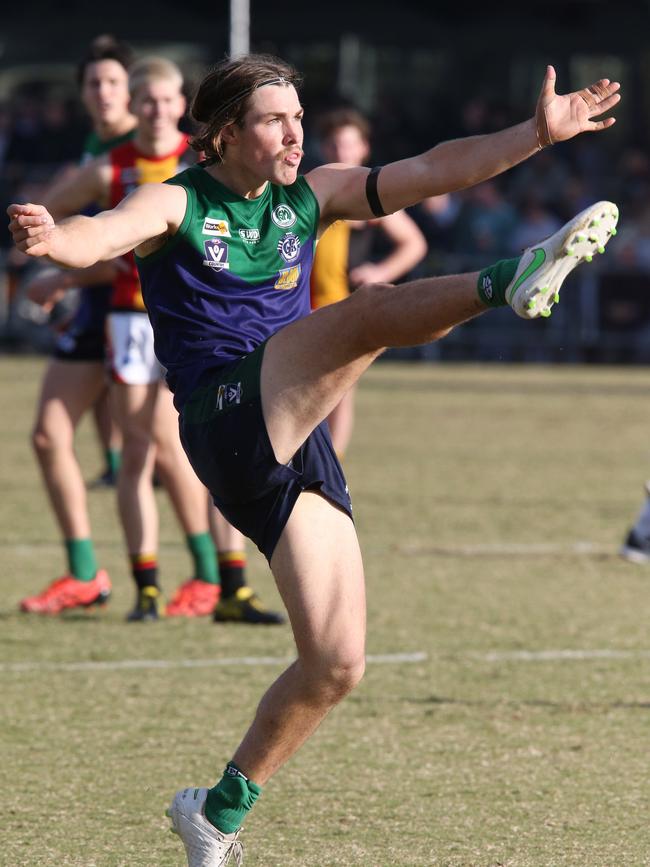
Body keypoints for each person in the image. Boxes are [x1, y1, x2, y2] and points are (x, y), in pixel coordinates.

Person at [8, 54, 620, 865]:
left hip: (293, 428)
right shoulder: (177, 199)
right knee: (364, 315)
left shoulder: (314, 193)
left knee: (336, 661)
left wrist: (535, 133)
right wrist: (61, 240)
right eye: (274, 119)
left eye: (298, 116)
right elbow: (104, 232)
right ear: (226, 132)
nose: (295, 132)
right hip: (224, 415)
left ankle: (218, 810)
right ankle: (509, 278)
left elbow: (434, 170)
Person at [24, 55, 283, 624]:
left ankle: (216, 578)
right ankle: (155, 581)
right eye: (145, 99)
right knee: (138, 450)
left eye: (165, 100)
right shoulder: (111, 165)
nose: (155, 109)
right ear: (131, 107)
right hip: (127, 322)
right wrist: (50, 236)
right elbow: (77, 223)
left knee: (183, 447)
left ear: (182, 107)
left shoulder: (201, 169)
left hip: (193, 323)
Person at [19, 35, 136, 614]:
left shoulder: (145, 153)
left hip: (140, 312)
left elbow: (129, 252)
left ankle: (218, 579)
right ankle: (85, 572)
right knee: (49, 433)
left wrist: (60, 279)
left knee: (165, 449)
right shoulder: (96, 149)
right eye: (94, 83)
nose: (103, 92)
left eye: (113, 82)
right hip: (99, 312)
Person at [310, 107, 427, 456]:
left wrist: (380, 272)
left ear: (363, 148)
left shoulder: (367, 194)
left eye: (348, 144)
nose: (340, 152)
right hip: (299, 309)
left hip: (343, 308)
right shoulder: (312, 189)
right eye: (333, 144)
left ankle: (332, 466)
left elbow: (414, 243)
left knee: (340, 393)